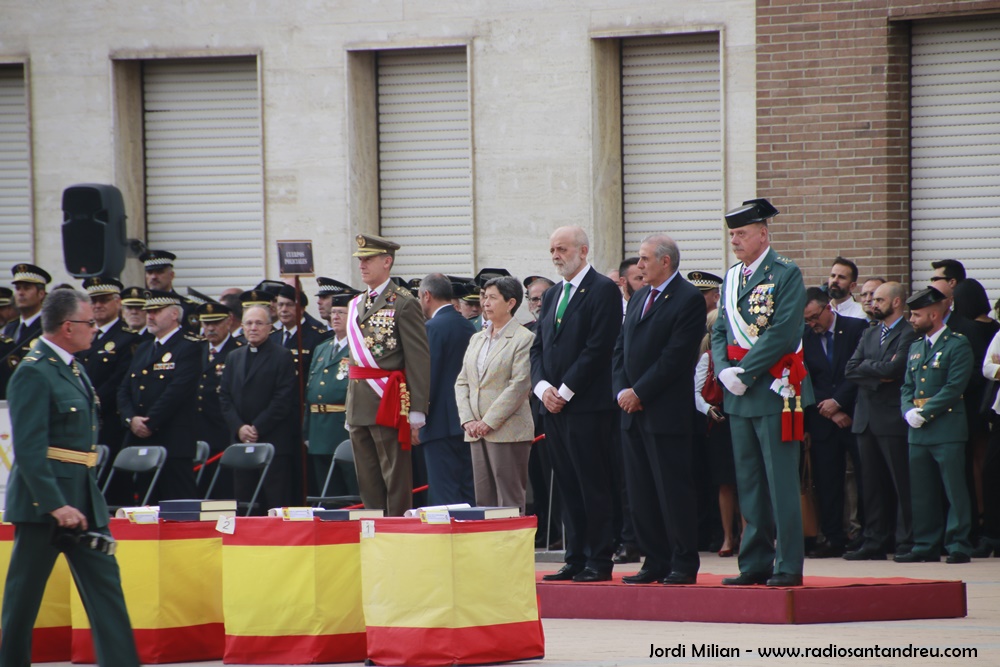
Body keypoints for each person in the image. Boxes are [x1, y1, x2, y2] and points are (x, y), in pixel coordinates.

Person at [0, 289, 140, 667]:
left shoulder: (73, 367)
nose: (95, 329)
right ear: (67, 327)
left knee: (106, 590)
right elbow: (28, 451)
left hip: (82, 498)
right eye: (89, 323)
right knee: (23, 599)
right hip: (43, 506)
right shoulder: (33, 371)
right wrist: (54, 504)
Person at [711, 198, 814, 588]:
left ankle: (787, 565)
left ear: (763, 234)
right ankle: (753, 561)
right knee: (749, 481)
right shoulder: (733, 276)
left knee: (781, 481)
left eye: (741, 233)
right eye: (732, 234)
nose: (734, 240)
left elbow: (785, 332)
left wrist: (747, 372)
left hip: (774, 389)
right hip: (738, 393)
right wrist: (724, 372)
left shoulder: (785, 273)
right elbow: (719, 330)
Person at [612, 234, 705, 586]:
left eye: (644, 259)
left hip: (664, 413)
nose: (639, 266)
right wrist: (622, 390)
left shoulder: (687, 298)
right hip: (631, 412)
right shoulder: (638, 298)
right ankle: (654, 560)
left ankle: (682, 562)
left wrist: (640, 392)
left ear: (665, 261)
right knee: (640, 492)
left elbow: (676, 357)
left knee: (672, 491)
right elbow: (620, 348)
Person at [532, 226, 622, 583]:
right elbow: (538, 346)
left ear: (583, 251)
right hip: (552, 405)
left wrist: (565, 391)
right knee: (567, 483)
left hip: (586, 406)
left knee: (592, 483)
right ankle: (575, 556)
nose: (556, 255)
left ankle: (599, 559)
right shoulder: (553, 294)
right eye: (552, 249)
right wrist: (542, 389)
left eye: (562, 248)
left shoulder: (602, 290)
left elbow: (599, 348)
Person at [346, 234, 431, 516]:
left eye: (368, 259)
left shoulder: (404, 302)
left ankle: (395, 531)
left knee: (394, 476)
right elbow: (355, 359)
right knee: (367, 478)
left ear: (387, 261)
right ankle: (372, 528)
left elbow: (418, 358)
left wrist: (418, 408)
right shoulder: (355, 304)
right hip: (359, 402)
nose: (362, 265)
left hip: (388, 400)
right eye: (360, 260)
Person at [897, 286, 974, 564]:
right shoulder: (917, 347)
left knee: (954, 488)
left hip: (946, 428)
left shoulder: (957, 343)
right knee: (922, 490)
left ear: (934, 314)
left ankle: (958, 543)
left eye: (917, 315)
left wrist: (925, 412)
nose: (912, 320)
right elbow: (907, 386)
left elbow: (954, 387)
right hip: (917, 431)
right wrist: (907, 412)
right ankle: (926, 543)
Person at [843, 281, 917, 559]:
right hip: (865, 418)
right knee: (871, 483)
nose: (873, 304)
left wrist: (870, 371)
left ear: (897, 302)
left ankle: (905, 540)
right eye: (872, 300)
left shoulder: (908, 333)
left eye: (879, 299)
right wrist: (878, 374)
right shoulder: (870, 333)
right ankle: (874, 540)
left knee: (900, 482)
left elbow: (896, 369)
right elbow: (851, 368)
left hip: (891, 417)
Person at [456, 275, 536, 512]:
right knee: (484, 501)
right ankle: (489, 548)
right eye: (484, 297)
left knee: (509, 499)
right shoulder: (476, 338)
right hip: (475, 431)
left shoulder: (524, 338)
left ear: (511, 303)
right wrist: (468, 419)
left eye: (492, 298)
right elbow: (462, 382)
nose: (485, 303)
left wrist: (488, 422)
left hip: (507, 431)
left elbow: (520, 384)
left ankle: (512, 548)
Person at [117, 290, 202, 501]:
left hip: (172, 442)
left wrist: (150, 422)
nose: (150, 316)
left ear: (174, 314)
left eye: (156, 311)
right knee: (148, 508)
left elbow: (177, 391)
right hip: (142, 441)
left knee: (178, 507)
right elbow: (124, 389)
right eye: (148, 312)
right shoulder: (145, 348)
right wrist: (131, 420)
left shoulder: (189, 346)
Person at [801, 287, 867, 557]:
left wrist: (839, 402)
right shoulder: (804, 336)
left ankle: (867, 533)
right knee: (828, 480)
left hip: (855, 414)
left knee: (864, 478)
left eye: (815, 317)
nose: (812, 324)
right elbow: (803, 378)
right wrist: (829, 408)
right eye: (807, 320)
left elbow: (858, 369)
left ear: (828, 308)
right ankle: (832, 536)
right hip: (823, 419)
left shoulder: (855, 328)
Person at [220, 304, 298, 511]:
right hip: (241, 442)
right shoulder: (233, 357)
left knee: (275, 503)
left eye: (259, 323)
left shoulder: (282, 356)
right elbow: (225, 397)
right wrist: (239, 428)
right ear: (242, 326)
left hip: (273, 441)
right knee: (245, 504)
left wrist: (256, 428)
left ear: (270, 327)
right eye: (249, 323)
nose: (253, 328)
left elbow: (283, 399)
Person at [416, 273, 477, 506]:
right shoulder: (467, 326)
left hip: (439, 425)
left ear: (427, 295)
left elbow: (427, 377)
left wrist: (417, 417)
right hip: (467, 421)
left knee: (444, 495)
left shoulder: (432, 328)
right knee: (467, 493)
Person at [76, 277, 137, 504]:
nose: (98, 305)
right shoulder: (85, 337)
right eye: (94, 300)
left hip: (110, 422)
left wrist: (91, 401)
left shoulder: (126, 338)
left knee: (113, 487)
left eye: (104, 300)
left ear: (118, 302)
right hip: (84, 422)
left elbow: (119, 381)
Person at [304, 280, 360, 492]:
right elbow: (310, 391)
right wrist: (307, 431)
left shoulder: (358, 348)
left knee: (351, 490)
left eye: (341, 312)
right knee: (327, 493)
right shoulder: (321, 348)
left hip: (343, 429)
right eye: (334, 312)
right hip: (319, 430)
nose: (335, 317)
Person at [695, 309, 740, 557]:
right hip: (720, 421)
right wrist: (708, 408)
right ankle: (727, 536)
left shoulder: (740, 355)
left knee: (746, 480)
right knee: (725, 482)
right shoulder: (708, 358)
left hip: (741, 418)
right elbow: (696, 391)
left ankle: (747, 533)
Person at [194, 300, 243, 498]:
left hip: (223, 431)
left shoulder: (238, 351)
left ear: (229, 321)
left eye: (216, 323)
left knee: (222, 493)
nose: (211, 328)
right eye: (206, 324)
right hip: (198, 431)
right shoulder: (196, 350)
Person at [0, 263, 51, 400]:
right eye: (17, 288)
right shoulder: (11, 326)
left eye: (27, 288)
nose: (21, 293)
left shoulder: (47, 327)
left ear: (41, 294)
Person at [139, 249, 198, 332]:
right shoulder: (139, 304)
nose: (154, 277)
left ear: (171, 275)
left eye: (159, 272)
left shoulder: (186, 307)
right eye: (150, 272)